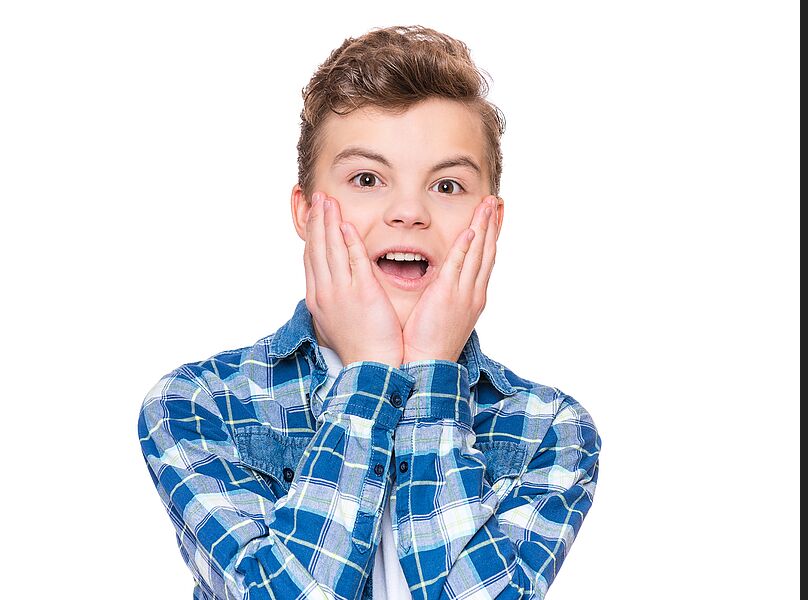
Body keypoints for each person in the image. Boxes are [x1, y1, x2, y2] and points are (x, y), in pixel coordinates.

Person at [138, 24, 601, 600]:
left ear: (492, 221)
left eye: (448, 186)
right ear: (305, 212)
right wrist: (371, 375)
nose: (408, 211)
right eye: (366, 179)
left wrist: (431, 371)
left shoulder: (549, 428)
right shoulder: (199, 403)